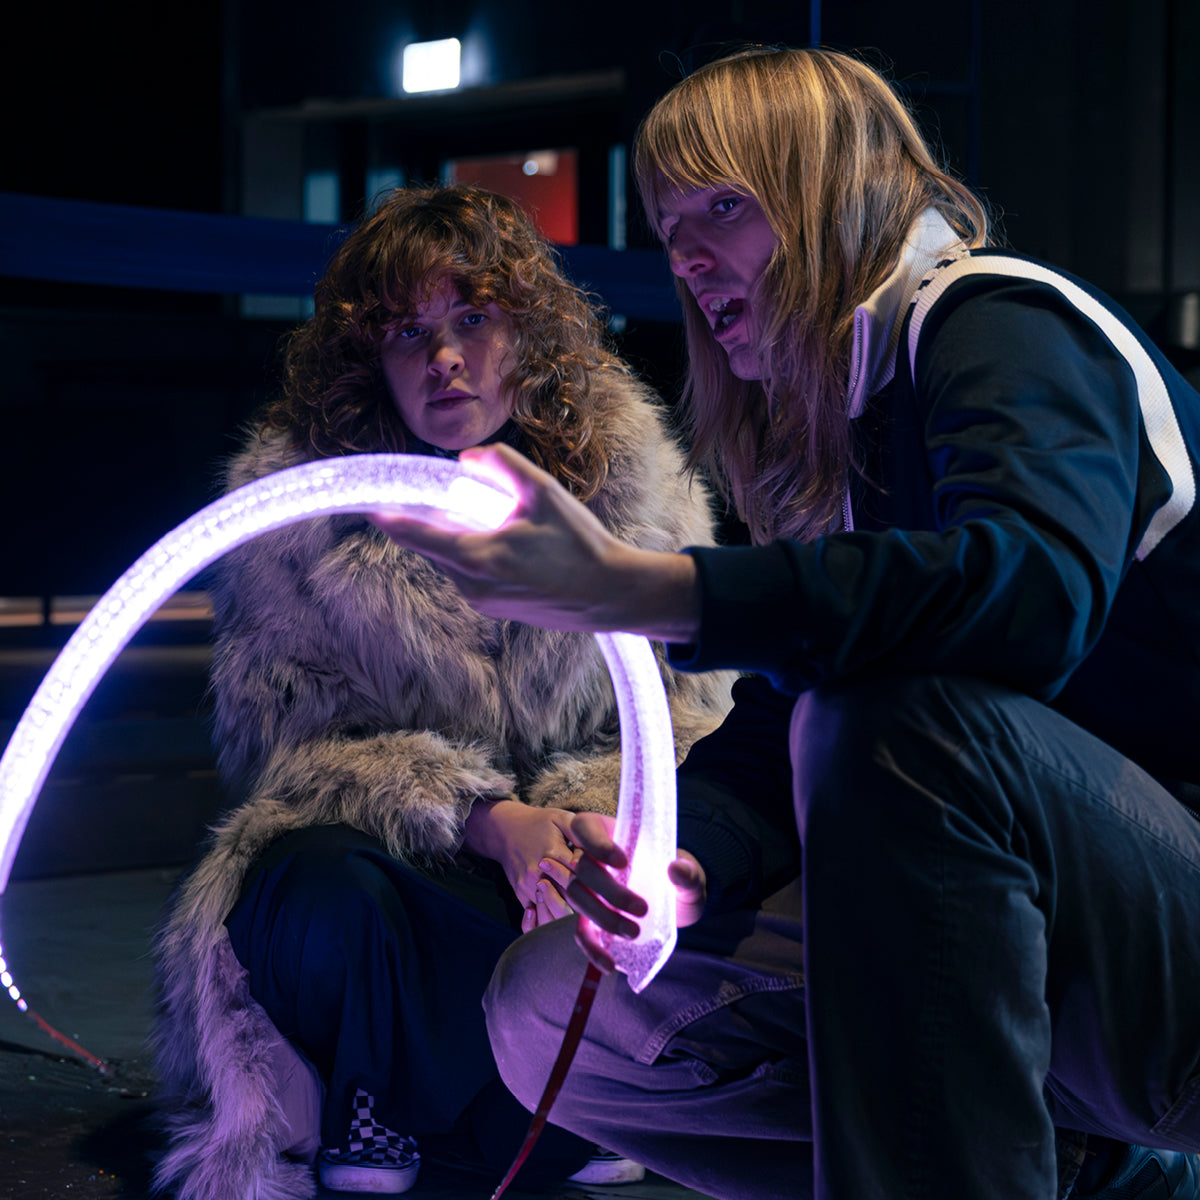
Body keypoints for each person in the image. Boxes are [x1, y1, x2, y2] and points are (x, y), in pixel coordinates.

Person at [374, 47, 1200, 1200]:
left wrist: (649, 589)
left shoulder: (1001, 321)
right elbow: (781, 720)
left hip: (1164, 933)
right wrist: (685, 861)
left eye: (724, 206)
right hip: (1043, 941)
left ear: (834, 193)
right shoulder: (831, 440)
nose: (688, 256)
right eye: (670, 228)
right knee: (550, 1005)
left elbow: (1029, 596)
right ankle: (1082, 1174)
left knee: (898, 723)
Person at [151, 183, 734, 1200]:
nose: (445, 357)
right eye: (409, 332)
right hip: (409, 877)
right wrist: (486, 820)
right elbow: (286, 755)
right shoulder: (299, 505)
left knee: (657, 895)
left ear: (528, 331)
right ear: (368, 357)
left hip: (562, 874)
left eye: (473, 318)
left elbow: (693, 715)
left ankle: (559, 1104)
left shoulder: (634, 487)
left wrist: (584, 831)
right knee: (316, 885)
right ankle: (374, 1097)